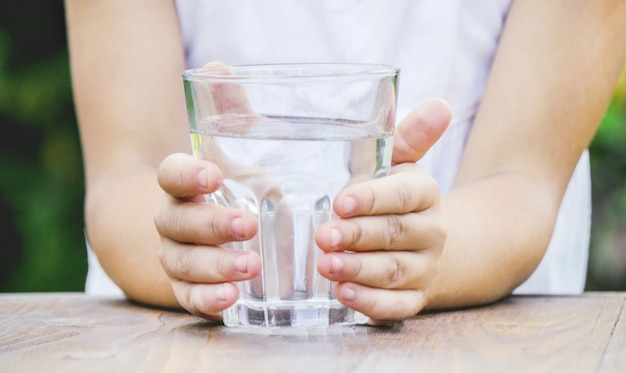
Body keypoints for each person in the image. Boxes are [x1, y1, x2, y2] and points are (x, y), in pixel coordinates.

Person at [65, 0, 626, 324]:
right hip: (193, 345)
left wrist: (423, 254)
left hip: (481, 340)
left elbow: (522, 180)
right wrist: (221, 250)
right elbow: (124, 174)